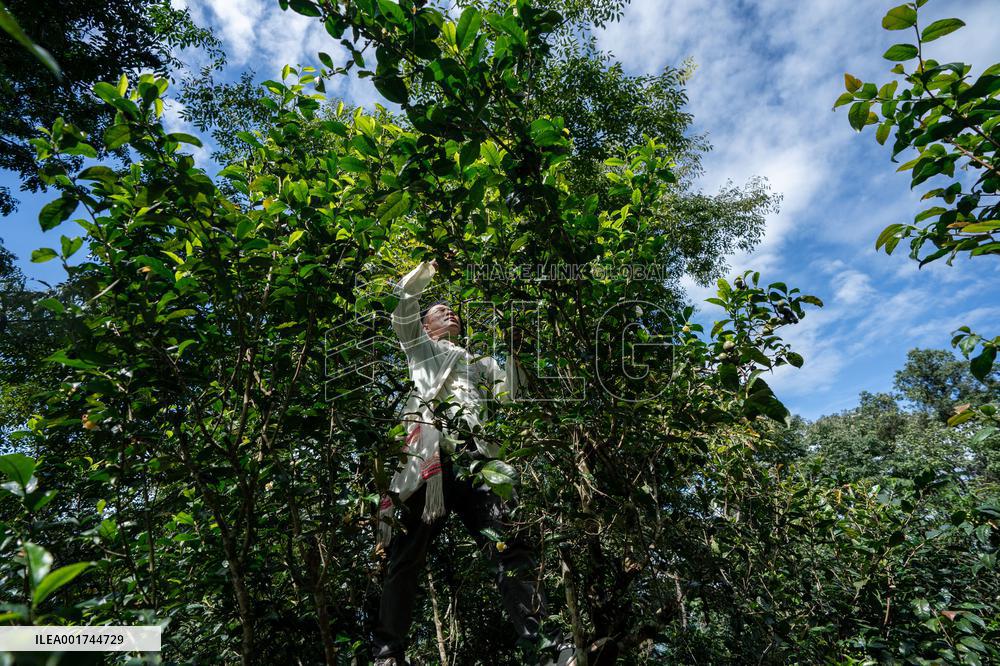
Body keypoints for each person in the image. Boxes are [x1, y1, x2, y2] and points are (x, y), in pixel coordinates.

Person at [371, 258, 576, 666]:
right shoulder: (423, 351)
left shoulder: (480, 362)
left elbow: (509, 394)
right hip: (430, 461)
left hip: (479, 462)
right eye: (440, 311)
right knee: (406, 556)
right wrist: (425, 271)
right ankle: (387, 653)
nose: (451, 313)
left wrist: (514, 351)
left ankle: (549, 648)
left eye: (453, 311)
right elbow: (401, 311)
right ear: (426, 326)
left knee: (510, 548)